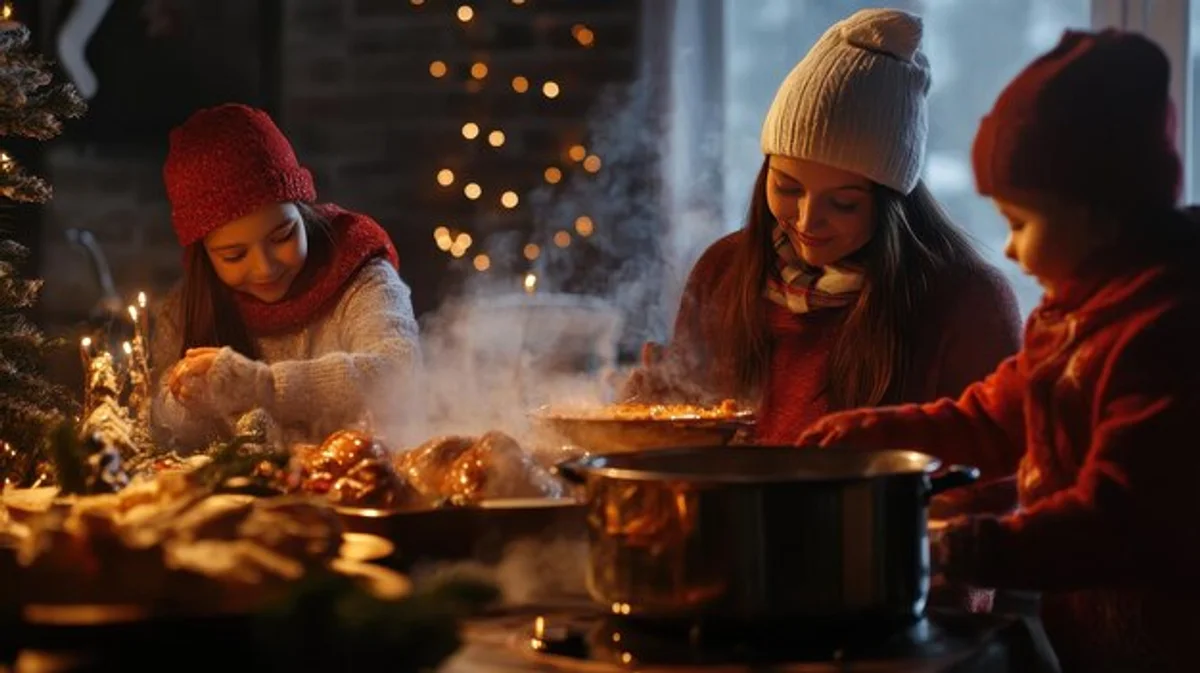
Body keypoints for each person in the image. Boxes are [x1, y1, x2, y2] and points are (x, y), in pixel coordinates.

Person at [798, 29, 1200, 673]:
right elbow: (990, 418)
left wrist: (961, 548)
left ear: (1100, 216)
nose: (1009, 249)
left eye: (1020, 223)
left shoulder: (1164, 336)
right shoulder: (1070, 314)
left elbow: (1115, 520)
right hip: (1095, 642)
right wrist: (875, 435)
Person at [623, 8, 1021, 445]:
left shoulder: (967, 302)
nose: (808, 220)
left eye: (844, 203)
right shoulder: (725, 271)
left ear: (893, 203)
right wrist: (655, 422)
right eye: (788, 188)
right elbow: (692, 448)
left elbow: (992, 490)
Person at [150, 103, 421, 450]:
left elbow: (397, 376)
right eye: (234, 255)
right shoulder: (187, 308)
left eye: (283, 236)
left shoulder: (361, 275)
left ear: (302, 211)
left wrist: (262, 386)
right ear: (204, 257)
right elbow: (158, 420)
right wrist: (190, 398)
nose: (266, 267)